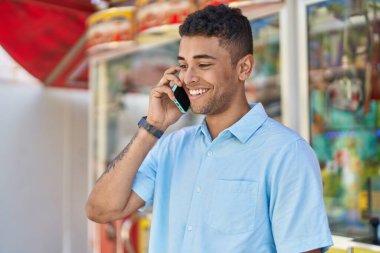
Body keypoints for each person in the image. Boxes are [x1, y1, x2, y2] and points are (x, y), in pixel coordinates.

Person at [86, 4, 333, 253]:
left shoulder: (287, 153)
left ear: (244, 68)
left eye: (203, 65)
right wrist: (152, 126)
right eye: (183, 65)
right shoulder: (171, 147)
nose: (189, 78)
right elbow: (101, 210)